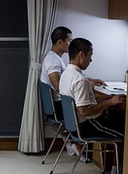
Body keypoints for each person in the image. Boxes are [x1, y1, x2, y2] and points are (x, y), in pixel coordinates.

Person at [41, 27, 106, 158]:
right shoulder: (53, 60)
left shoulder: (57, 58)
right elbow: (59, 86)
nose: (71, 44)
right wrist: (84, 84)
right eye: (69, 41)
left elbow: (68, 79)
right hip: (61, 106)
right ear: (60, 42)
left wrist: (88, 81)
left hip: (66, 106)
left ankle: (74, 143)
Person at [59, 38, 125, 157]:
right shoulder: (80, 80)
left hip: (74, 125)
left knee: (119, 119)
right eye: (89, 56)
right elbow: (84, 111)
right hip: (88, 125)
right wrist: (110, 102)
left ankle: (114, 168)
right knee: (126, 133)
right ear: (81, 55)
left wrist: (102, 100)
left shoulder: (66, 74)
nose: (90, 60)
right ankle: (119, 170)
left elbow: (78, 102)